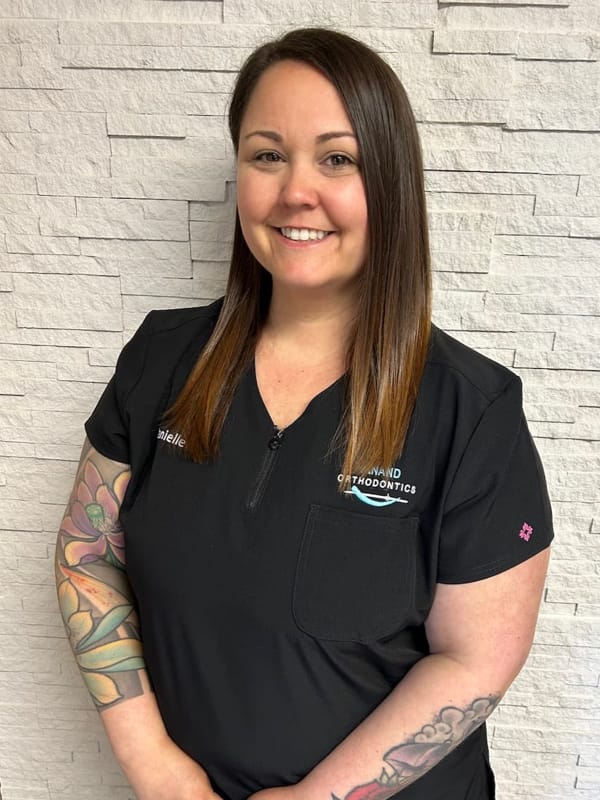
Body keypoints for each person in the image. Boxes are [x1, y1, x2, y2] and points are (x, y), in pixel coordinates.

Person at [55, 27, 553, 800]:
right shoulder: (161, 361)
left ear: (389, 181)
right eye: (267, 155)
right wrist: (156, 767)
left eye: (337, 159)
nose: (296, 191)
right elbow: (87, 555)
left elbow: (476, 659)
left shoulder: (472, 411)